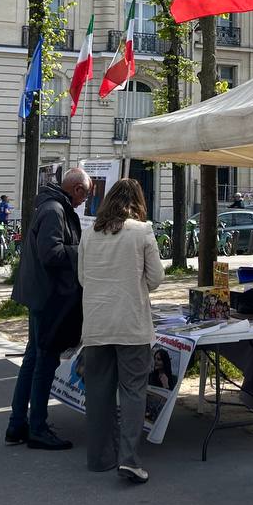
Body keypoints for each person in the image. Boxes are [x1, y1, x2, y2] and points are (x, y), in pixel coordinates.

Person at [79, 178, 164, 483]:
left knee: (99, 393)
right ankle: (128, 458)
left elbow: (82, 279)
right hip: (131, 325)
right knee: (132, 392)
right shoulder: (142, 231)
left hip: (97, 324)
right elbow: (156, 278)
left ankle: (99, 457)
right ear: (138, 202)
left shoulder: (90, 234)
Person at [7, 167, 90, 451]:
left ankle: (18, 423)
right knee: (44, 361)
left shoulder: (51, 205)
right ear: (76, 189)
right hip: (48, 298)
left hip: (40, 294)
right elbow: (51, 253)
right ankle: (38, 427)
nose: (84, 201)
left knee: (33, 358)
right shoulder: (55, 210)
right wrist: (83, 250)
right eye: (85, 195)